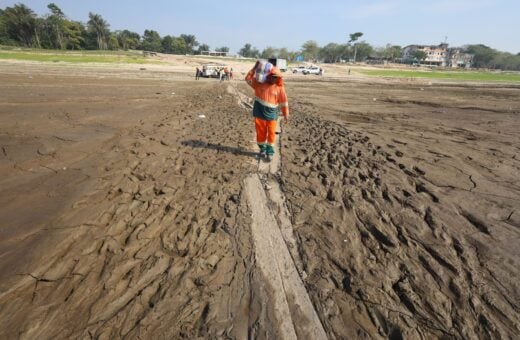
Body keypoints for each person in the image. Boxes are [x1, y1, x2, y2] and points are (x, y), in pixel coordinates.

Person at [245, 61, 289, 161]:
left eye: (276, 77)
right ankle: (262, 150)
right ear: (268, 75)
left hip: (272, 114)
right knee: (261, 132)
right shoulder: (258, 84)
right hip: (259, 112)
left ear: (279, 78)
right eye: (273, 76)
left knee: (271, 133)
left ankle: (270, 152)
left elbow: (284, 101)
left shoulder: (279, 88)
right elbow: (247, 79)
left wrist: (286, 113)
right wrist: (254, 68)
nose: (274, 79)